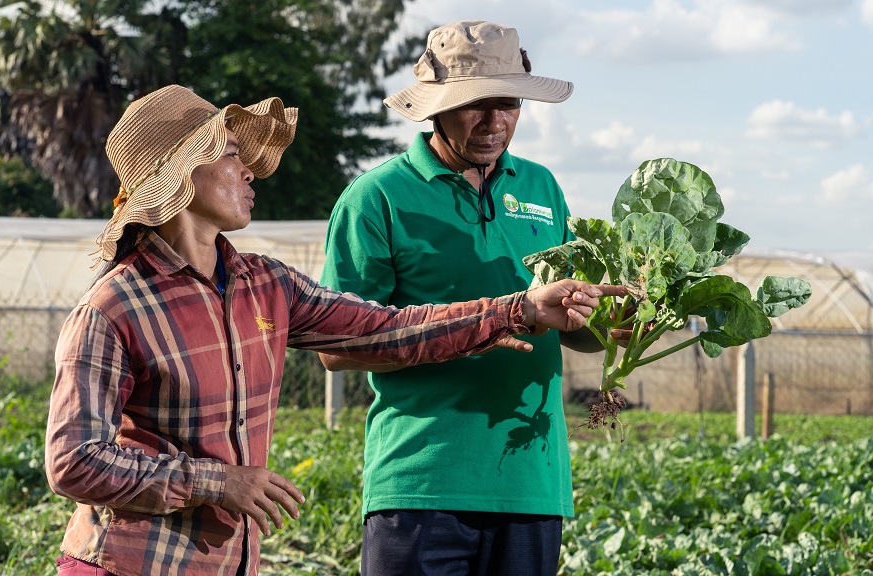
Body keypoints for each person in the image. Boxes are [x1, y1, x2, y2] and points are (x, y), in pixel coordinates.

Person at [43, 84, 624, 576]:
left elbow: (387, 331)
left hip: (225, 560)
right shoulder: (114, 307)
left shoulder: (265, 285)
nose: (250, 168)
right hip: (127, 562)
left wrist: (517, 310)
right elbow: (72, 460)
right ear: (179, 176)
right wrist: (215, 482)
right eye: (228, 154)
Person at [319, 20, 613, 575]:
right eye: (474, 105)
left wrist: (609, 321)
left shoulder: (542, 187)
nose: (494, 122)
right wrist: (500, 318)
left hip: (530, 482)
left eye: (509, 105)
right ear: (436, 107)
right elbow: (337, 348)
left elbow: (572, 329)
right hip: (421, 482)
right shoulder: (377, 198)